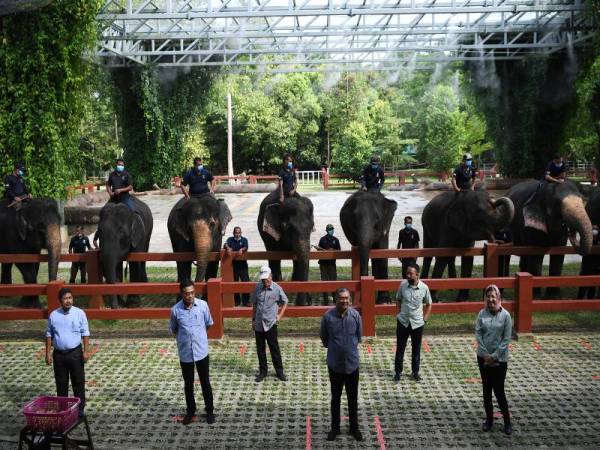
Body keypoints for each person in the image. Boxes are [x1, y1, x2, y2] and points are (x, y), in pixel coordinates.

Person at [170, 278, 215, 426]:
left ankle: (209, 411)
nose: (190, 296)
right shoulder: (175, 310)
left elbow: (208, 324)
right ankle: (190, 411)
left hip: (201, 351)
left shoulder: (203, 306)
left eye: (192, 293)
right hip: (186, 354)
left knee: (205, 382)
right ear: (182, 294)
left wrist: (198, 338)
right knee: (188, 384)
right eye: (186, 293)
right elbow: (174, 330)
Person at [320, 288, 363, 442]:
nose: (344, 301)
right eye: (341, 298)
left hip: (352, 365)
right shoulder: (327, 317)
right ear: (335, 300)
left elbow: (359, 337)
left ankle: (354, 427)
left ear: (350, 300)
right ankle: (335, 428)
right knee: (335, 398)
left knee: (353, 398)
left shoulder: (356, 316)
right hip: (335, 366)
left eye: (347, 298)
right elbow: (324, 339)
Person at [45, 288, 90, 417]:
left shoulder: (79, 313)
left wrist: (86, 351)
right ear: (60, 300)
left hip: (75, 353)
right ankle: (63, 409)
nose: (68, 301)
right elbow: (49, 335)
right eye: (65, 298)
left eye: (70, 298)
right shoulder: (54, 315)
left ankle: (80, 408)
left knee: (78, 382)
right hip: (59, 355)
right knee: (61, 383)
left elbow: (85, 333)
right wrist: (47, 353)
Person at [476, 284, 513, 435]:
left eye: (493, 296)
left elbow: (506, 339)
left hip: (500, 360)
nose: (490, 299)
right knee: (486, 390)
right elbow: (478, 335)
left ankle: (507, 422)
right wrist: (486, 355)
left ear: (499, 298)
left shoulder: (506, 316)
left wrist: (495, 356)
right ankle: (489, 420)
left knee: (499, 391)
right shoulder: (481, 314)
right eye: (488, 296)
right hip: (483, 358)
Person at [393, 262, 432, 382]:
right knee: (400, 348)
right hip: (403, 322)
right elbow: (398, 299)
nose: (408, 276)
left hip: (417, 323)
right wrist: (399, 313)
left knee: (416, 349)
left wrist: (425, 318)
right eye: (407, 273)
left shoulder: (424, 288)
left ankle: (415, 372)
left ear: (417, 275)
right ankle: (398, 373)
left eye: (411, 274)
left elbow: (429, 304)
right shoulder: (402, 285)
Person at [251, 265, 288, 382]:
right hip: (258, 324)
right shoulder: (257, 287)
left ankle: (279, 371)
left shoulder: (277, 289)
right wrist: (253, 319)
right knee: (260, 349)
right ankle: (263, 371)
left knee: (274, 348)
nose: (265, 281)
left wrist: (279, 316)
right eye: (263, 279)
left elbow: (285, 301)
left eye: (266, 279)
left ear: (271, 276)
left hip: (271, 323)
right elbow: (255, 305)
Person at [224, 226, 250, 306]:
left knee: (245, 283)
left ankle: (246, 301)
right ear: (233, 233)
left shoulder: (244, 239)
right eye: (236, 233)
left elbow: (246, 246)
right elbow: (225, 244)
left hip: (243, 266)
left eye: (239, 233)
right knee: (234, 283)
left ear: (241, 233)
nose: (237, 234)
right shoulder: (230, 240)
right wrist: (228, 248)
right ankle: (237, 301)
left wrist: (242, 250)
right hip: (233, 266)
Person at [316, 224, 341, 305]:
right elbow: (318, 251)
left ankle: (335, 299)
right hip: (323, 264)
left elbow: (339, 251)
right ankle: (325, 300)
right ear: (326, 230)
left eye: (332, 229)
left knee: (334, 282)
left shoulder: (336, 240)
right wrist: (324, 251)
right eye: (329, 229)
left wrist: (333, 250)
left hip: (332, 264)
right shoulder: (322, 239)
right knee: (324, 282)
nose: (331, 231)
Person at [578, 224, 600, 299]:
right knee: (583, 283)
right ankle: (580, 299)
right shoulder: (586, 236)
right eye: (593, 228)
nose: (594, 230)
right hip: (586, 264)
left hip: (596, 265)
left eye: (596, 228)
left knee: (592, 284)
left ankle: (590, 299)